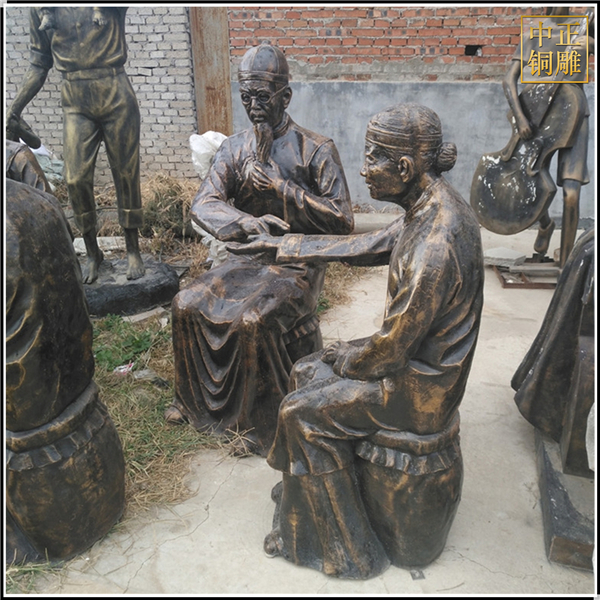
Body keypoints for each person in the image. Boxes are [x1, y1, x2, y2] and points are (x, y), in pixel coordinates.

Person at [228, 103, 484, 578]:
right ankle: (303, 500)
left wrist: (345, 356)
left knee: (299, 413)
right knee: (305, 369)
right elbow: (368, 244)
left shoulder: (436, 241)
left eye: (372, 157)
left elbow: (391, 349)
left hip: (421, 389)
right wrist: (283, 246)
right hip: (412, 366)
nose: (363, 169)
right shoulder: (428, 205)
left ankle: (348, 551)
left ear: (403, 167)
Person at [167, 42, 354, 456]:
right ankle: (194, 404)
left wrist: (282, 188)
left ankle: (259, 423)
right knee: (185, 303)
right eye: (246, 97)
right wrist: (245, 222)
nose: (253, 107)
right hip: (248, 257)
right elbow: (204, 203)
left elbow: (342, 219)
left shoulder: (315, 148)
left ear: (285, 97)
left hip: (298, 262)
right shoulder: (234, 148)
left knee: (252, 319)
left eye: (263, 97)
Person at [6, 7, 145, 284]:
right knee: (75, 178)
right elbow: (39, 64)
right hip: (75, 99)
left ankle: (133, 250)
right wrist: (14, 109)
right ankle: (93, 253)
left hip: (115, 89)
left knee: (126, 173)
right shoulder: (41, 8)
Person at [502, 7, 594, 266]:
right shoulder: (534, 34)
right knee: (529, 180)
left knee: (571, 194)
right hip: (540, 113)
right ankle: (545, 224)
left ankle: (566, 265)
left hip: (576, 114)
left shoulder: (585, 29)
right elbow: (508, 80)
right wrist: (521, 118)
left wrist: (590, 40)